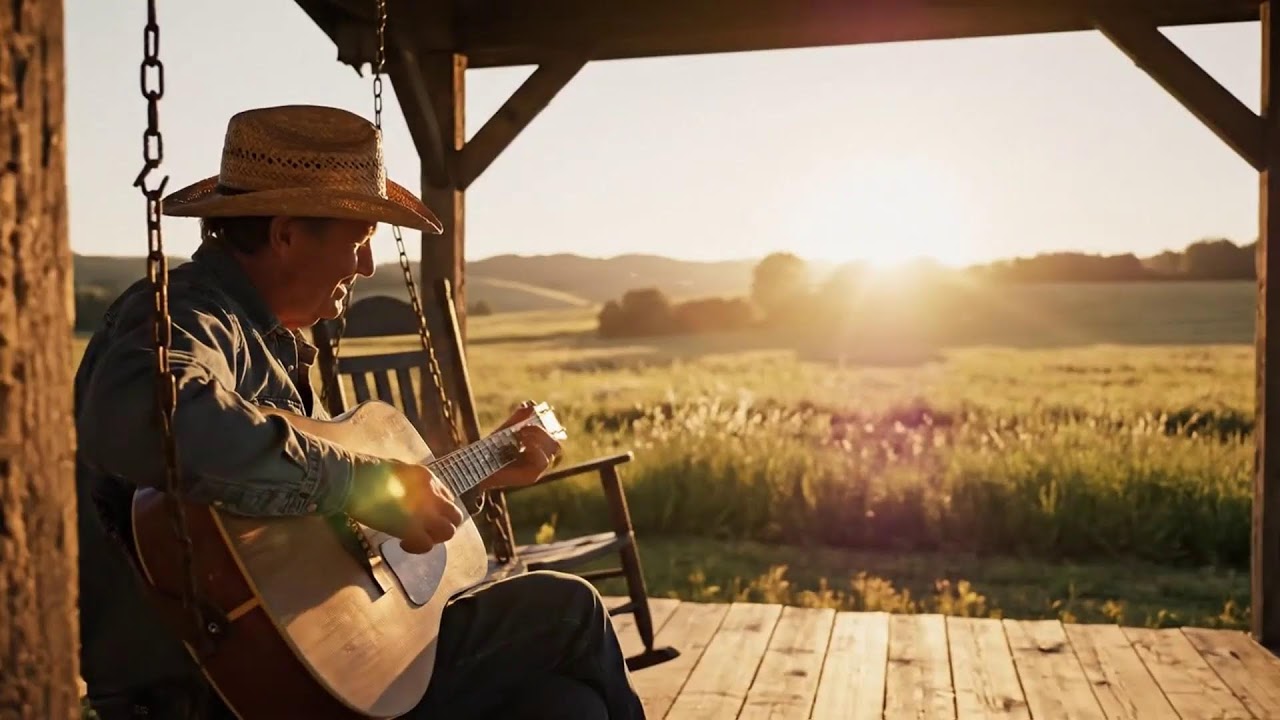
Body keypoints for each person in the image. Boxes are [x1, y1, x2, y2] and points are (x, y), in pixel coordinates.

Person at [74, 104, 646, 720]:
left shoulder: (274, 347)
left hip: (306, 673)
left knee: (566, 706)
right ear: (287, 233)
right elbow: (151, 419)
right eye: (360, 239)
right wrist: (359, 482)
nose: (368, 267)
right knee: (570, 612)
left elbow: (340, 540)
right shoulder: (186, 316)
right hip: (208, 691)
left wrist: (479, 477)